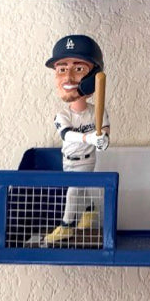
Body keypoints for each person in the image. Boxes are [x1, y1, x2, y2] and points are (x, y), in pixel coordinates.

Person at [43, 35, 110, 247]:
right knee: (81, 188)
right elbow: (67, 135)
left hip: (86, 159)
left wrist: (103, 140)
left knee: (73, 191)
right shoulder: (62, 115)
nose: (69, 77)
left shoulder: (97, 111)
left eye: (79, 69)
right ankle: (90, 211)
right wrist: (89, 137)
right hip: (68, 159)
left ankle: (66, 225)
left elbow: (105, 130)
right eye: (62, 69)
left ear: (93, 77)